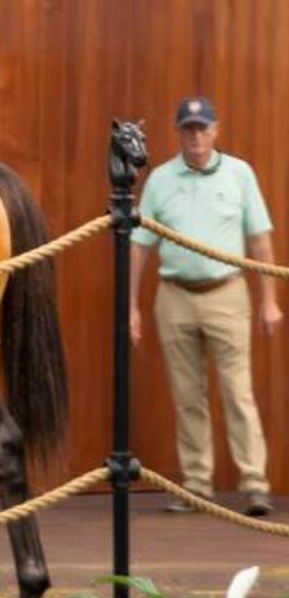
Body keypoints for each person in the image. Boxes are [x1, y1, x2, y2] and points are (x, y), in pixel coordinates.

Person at [130, 96, 280, 517]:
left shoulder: (239, 174)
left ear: (215, 131)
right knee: (187, 396)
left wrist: (269, 301)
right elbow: (139, 247)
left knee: (238, 392)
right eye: (188, 129)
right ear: (178, 133)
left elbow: (260, 240)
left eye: (202, 128)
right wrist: (132, 308)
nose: (195, 137)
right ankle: (197, 487)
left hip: (226, 293)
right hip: (174, 296)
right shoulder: (160, 179)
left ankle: (255, 485)